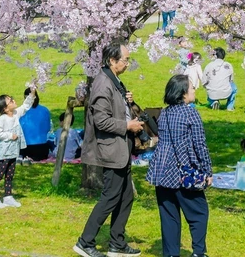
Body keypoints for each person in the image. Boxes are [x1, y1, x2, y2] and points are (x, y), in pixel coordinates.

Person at [74, 42, 146, 257]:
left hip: (121, 149)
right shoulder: (103, 83)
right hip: (111, 150)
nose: (127, 63)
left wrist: (127, 101)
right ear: (112, 61)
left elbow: (114, 110)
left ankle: (117, 243)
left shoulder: (114, 81)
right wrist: (127, 125)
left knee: (125, 197)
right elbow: (100, 121)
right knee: (110, 197)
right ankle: (84, 242)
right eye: (125, 60)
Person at [146, 74, 212, 257]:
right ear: (183, 93)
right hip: (184, 170)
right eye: (191, 87)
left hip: (162, 171)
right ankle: (199, 252)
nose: (194, 90)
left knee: (169, 217)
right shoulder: (190, 113)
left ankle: (171, 254)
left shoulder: (165, 113)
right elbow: (200, 145)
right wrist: (207, 171)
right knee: (199, 213)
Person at [0, 87, 37, 207]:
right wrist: (10, 135)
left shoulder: (16, 114)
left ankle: (8, 196)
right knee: (0, 174)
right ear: (5, 108)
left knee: (10, 174)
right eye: (10, 101)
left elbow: (26, 106)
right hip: (5, 151)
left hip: (13, 151)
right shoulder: (3, 119)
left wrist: (32, 93)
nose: (13, 101)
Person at [19, 87, 54, 161]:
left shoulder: (22, 112)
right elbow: (47, 129)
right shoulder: (45, 110)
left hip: (25, 148)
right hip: (42, 149)